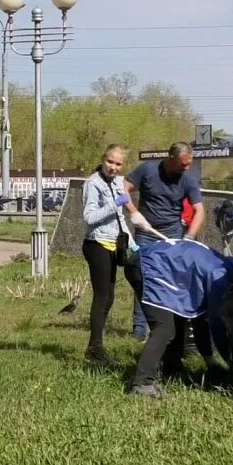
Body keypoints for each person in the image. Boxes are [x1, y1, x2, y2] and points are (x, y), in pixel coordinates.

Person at [124, 238, 233, 398]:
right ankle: (142, 385)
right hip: (148, 266)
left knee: (179, 317)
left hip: (150, 262)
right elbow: (217, 325)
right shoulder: (219, 276)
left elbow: (200, 318)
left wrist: (210, 361)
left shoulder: (225, 265)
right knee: (164, 328)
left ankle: (171, 369)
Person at [124, 142, 205, 340]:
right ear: (170, 158)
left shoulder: (188, 180)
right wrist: (134, 213)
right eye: (182, 164)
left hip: (173, 236)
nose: (186, 168)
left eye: (189, 164)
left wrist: (189, 238)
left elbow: (200, 211)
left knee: (170, 282)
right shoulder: (147, 170)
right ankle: (139, 329)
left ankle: (168, 329)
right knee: (144, 279)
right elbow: (122, 190)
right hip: (146, 233)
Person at [80, 144, 137, 367]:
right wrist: (116, 203)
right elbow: (89, 217)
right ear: (103, 160)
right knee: (102, 296)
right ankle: (95, 349)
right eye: (110, 162)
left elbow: (120, 219)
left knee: (110, 297)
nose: (113, 167)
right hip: (97, 244)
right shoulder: (92, 184)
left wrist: (133, 244)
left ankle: (95, 345)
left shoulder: (117, 183)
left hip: (115, 243)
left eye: (118, 164)